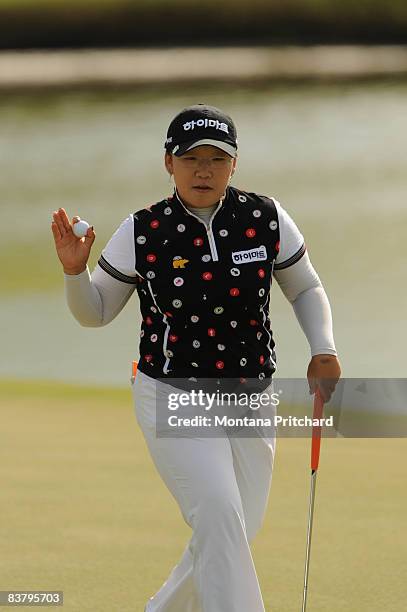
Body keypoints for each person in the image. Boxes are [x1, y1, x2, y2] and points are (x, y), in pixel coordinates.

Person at [51, 103, 341, 612]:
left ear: (234, 164)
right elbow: (94, 314)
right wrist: (76, 273)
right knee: (219, 514)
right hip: (172, 393)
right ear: (169, 163)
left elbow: (305, 288)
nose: (203, 169)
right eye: (190, 158)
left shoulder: (265, 216)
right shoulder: (142, 230)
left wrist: (324, 348)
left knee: (234, 529)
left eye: (216, 158)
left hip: (251, 392)